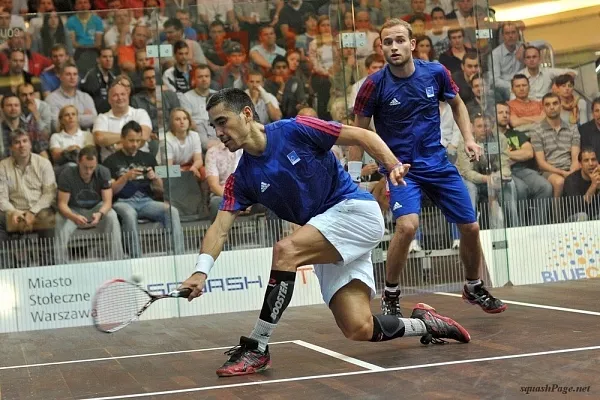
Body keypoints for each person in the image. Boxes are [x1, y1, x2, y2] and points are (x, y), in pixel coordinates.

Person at [180, 88, 471, 377]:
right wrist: (200, 271)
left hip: (354, 211)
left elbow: (362, 135)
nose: (218, 131)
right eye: (214, 125)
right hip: (325, 232)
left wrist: (391, 164)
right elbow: (219, 229)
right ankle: (426, 324)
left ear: (246, 114)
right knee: (358, 327)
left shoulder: (297, 129)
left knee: (285, 251)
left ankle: (257, 346)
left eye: (222, 121)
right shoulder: (241, 178)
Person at [350, 19, 507, 316]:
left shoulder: (435, 73)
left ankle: (474, 286)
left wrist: (469, 139)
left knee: (471, 227)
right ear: (381, 47)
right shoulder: (373, 85)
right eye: (387, 42)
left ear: (412, 44)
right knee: (407, 226)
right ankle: (392, 294)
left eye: (399, 40)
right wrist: (352, 174)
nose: (393, 47)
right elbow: (358, 131)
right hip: (400, 170)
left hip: (437, 163)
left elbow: (458, 104)